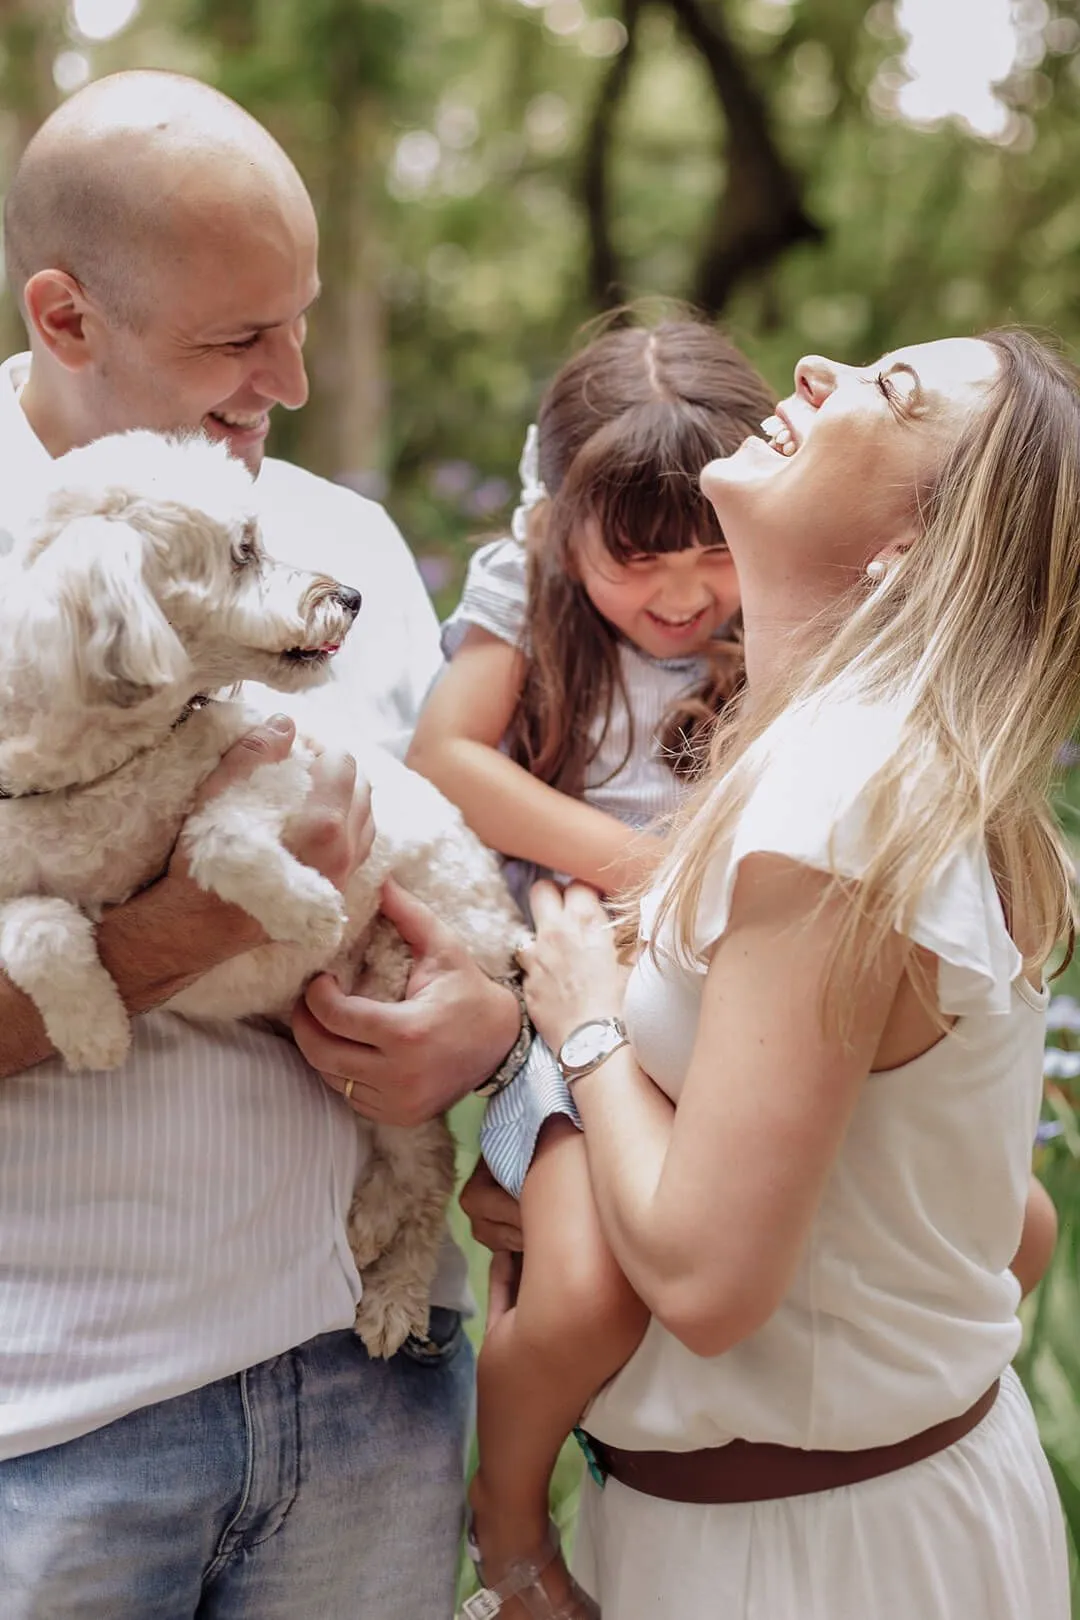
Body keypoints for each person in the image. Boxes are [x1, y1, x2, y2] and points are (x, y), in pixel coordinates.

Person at [0, 70, 528, 1620]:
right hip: (57, 1434)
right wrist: (179, 932)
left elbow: (471, 889)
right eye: (237, 338)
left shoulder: (340, 547)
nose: (287, 382)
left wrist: (483, 1030)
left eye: (297, 320)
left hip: (376, 1393)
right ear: (66, 313)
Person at [504, 331, 1075, 1617]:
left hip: (807, 1556)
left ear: (914, 547)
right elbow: (1005, 1225)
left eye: (893, 391)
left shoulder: (841, 796)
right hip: (851, 1504)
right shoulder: (867, 764)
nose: (819, 367)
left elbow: (707, 1284)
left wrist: (587, 1027)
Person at [409, 321, 774, 1617]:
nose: (683, 598)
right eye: (638, 565)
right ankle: (506, 1534)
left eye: (712, 553)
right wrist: (641, 875)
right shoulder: (526, 588)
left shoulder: (797, 582)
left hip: (749, 990)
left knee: (1013, 1231)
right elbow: (448, 760)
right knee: (577, 1297)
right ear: (564, 528)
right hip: (582, 978)